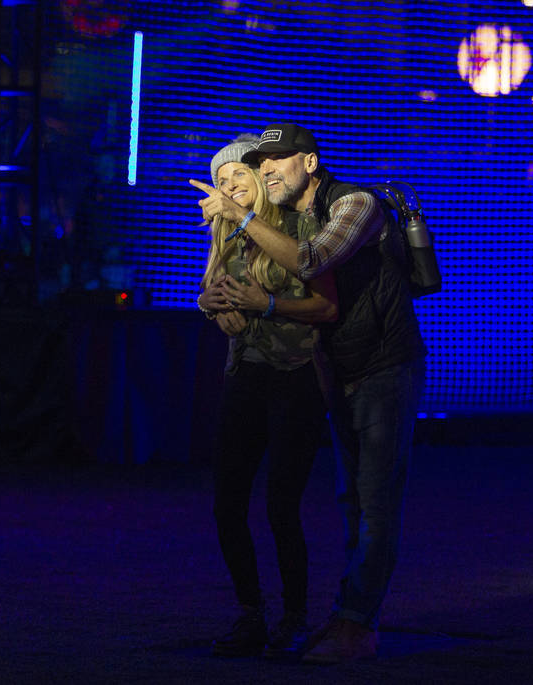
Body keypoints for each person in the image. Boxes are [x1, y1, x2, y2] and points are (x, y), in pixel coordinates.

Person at [191, 123, 427, 663]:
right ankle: (346, 613)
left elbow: (313, 263)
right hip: (335, 369)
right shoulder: (290, 218)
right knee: (352, 500)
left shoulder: (356, 204)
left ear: (311, 164)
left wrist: (245, 228)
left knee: (375, 502)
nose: (267, 168)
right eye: (262, 162)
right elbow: (226, 283)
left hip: (383, 367)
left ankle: (357, 625)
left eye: (280, 160)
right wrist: (220, 303)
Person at [194, 134, 338, 659]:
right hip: (246, 374)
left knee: (282, 506)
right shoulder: (226, 231)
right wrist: (211, 305)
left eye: (239, 176)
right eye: (222, 179)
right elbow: (216, 292)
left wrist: (267, 303)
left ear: (257, 180)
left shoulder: (298, 227)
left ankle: (294, 619)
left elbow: (322, 299)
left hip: (295, 377)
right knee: (226, 503)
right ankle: (250, 612)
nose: (229, 186)